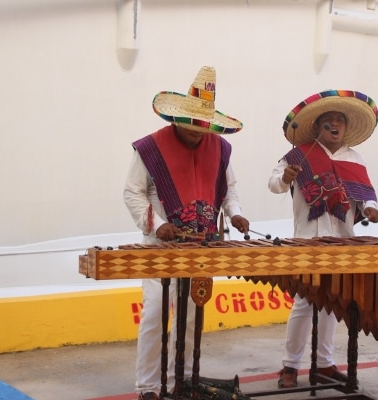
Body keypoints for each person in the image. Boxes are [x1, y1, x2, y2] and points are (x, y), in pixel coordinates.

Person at [124, 66, 250, 400]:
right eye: (192, 126)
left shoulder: (220, 149)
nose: (198, 133)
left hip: (201, 248)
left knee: (193, 315)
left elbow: (229, 190)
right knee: (154, 313)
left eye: (203, 127)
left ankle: (181, 379)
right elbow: (132, 193)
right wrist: (156, 223)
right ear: (178, 119)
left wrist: (235, 215)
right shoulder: (150, 149)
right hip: (158, 248)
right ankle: (149, 387)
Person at [267, 90, 378, 388]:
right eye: (328, 121)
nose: (334, 125)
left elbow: (366, 194)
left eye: (339, 121)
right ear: (318, 127)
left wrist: (372, 209)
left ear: (345, 128)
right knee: (304, 302)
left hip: (342, 242)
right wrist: (286, 178)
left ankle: (325, 364)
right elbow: (273, 184)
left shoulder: (354, 157)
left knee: (334, 301)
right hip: (308, 240)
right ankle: (290, 366)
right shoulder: (299, 154)